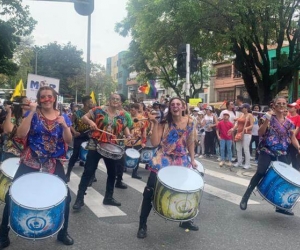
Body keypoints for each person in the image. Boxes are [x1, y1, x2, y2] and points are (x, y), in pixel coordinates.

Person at [0, 86, 74, 248]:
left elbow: (68, 141)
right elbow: (20, 134)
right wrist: (32, 112)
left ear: (54, 98)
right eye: (43, 97)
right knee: (13, 195)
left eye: (49, 96)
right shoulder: (31, 114)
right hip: (30, 160)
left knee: (65, 197)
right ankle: (3, 235)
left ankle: (63, 232)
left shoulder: (64, 116)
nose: (46, 99)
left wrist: (65, 126)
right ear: (39, 100)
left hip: (53, 162)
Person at [137, 97, 198, 239]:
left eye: (178, 104)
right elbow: (155, 142)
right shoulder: (163, 122)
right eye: (172, 105)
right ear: (170, 108)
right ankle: (142, 224)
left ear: (183, 107)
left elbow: (191, 142)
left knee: (186, 191)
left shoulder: (191, 121)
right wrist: (154, 123)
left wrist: (193, 160)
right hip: (162, 159)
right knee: (149, 191)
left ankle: (185, 221)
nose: (175, 106)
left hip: (181, 160)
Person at [239, 96, 300, 216]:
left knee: (284, 178)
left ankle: (280, 205)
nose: (282, 106)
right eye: (279, 103)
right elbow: (260, 132)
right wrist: (267, 119)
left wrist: (298, 147)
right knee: (261, 172)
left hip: (281, 152)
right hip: (266, 149)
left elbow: (292, 138)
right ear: (274, 105)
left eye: (284, 103)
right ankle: (246, 196)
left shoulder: (289, 123)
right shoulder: (267, 117)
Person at [72, 93, 133, 210]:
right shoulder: (98, 110)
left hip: (111, 146)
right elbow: (84, 118)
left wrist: (128, 135)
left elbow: (124, 127)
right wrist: (91, 122)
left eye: (117, 99)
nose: (115, 101)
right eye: (113, 99)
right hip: (96, 143)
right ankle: (79, 199)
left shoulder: (122, 115)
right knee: (88, 171)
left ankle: (108, 197)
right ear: (109, 100)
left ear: (120, 103)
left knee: (112, 172)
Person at [65, 95, 94, 182]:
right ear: (85, 103)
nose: (92, 103)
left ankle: (92, 176)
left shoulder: (94, 113)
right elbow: (69, 124)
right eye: (90, 102)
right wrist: (74, 132)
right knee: (75, 155)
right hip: (79, 136)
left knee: (92, 156)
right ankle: (68, 173)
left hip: (90, 136)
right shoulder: (77, 113)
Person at [2, 96, 30, 160]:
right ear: (21, 105)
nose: (29, 102)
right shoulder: (15, 117)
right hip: (12, 152)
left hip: (27, 154)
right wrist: (9, 112)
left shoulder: (33, 118)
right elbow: (7, 130)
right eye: (27, 101)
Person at [124, 103, 147, 179]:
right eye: (130, 110)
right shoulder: (127, 117)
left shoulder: (142, 118)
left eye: (133, 110)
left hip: (138, 140)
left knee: (137, 156)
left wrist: (144, 141)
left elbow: (144, 131)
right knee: (125, 155)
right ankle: (124, 168)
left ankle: (135, 172)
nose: (131, 111)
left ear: (137, 109)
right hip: (128, 140)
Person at [230, 103, 254, 169]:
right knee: (238, 148)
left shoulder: (250, 115)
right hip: (239, 133)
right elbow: (237, 124)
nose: (241, 109)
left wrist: (246, 128)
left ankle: (247, 163)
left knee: (246, 149)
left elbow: (252, 125)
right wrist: (232, 129)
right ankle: (239, 162)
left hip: (246, 133)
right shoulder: (241, 115)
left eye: (242, 108)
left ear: (246, 108)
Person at [286, 102, 300, 170]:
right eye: (289, 106)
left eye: (291, 107)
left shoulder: (298, 118)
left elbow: (296, 130)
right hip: (286, 140)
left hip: (295, 140)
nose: (289, 108)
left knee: (294, 158)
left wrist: (291, 138)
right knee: (285, 157)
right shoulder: (287, 117)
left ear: (296, 108)